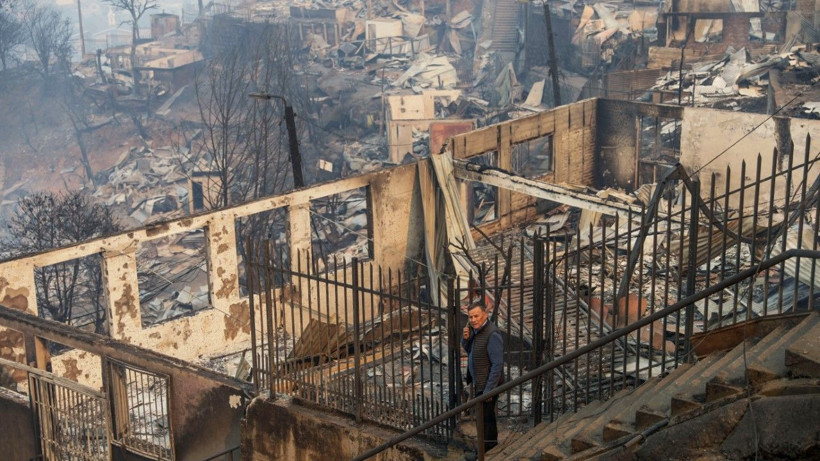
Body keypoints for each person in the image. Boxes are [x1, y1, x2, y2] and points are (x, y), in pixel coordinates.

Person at [462, 301, 504, 452]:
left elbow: (497, 364)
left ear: (485, 315)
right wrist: (466, 338)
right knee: (485, 417)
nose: (473, 320)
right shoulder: (476, 330)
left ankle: (486, 448)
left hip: (487, 384)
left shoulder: (492, 334)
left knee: (485, 418)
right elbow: (469, 349)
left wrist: (489, 390)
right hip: (480, 381)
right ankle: (488, 445)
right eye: (470, 317)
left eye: (476, 316)